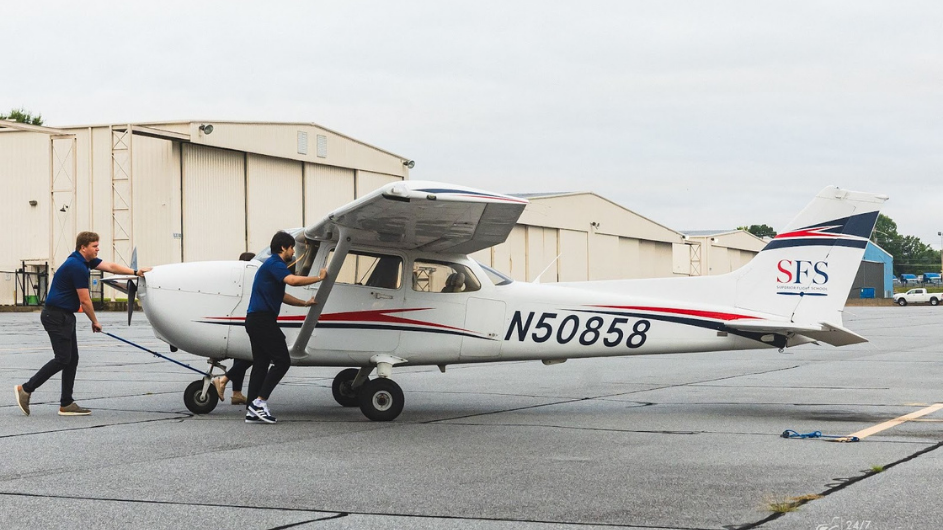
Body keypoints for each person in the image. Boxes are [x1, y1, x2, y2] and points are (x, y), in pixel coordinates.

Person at [14, 231, 151, 416]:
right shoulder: (76, 266)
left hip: (65, 316)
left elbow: (110, 266)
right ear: (83, 247)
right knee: (63, 358)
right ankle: (26, 389)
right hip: (55, 316)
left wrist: (135, 272)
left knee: (72, 359)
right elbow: (85, 301)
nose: (98, 249)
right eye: (95, 246)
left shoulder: (84, 261)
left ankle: (66, 403)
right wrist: (95, 321)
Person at [244, 232, 327, 424]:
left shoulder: (271, 267)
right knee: (282, 361)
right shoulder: (275, 264)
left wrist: (304, 303)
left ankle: (251, 410)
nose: (292, 252)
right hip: (263, 320)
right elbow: (293, 281)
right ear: (283, 248)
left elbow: (282, 296)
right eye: (291, 248)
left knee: (261, 364)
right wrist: (319, 278)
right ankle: (259, 402)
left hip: (255, 320)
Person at [212, 251, 256, 405]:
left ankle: (236, 393)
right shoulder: (253, 279)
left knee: (241, 356)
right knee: (254, 356)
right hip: (250, 320)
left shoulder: (237, 281)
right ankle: (223, 380)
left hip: (239, 320)